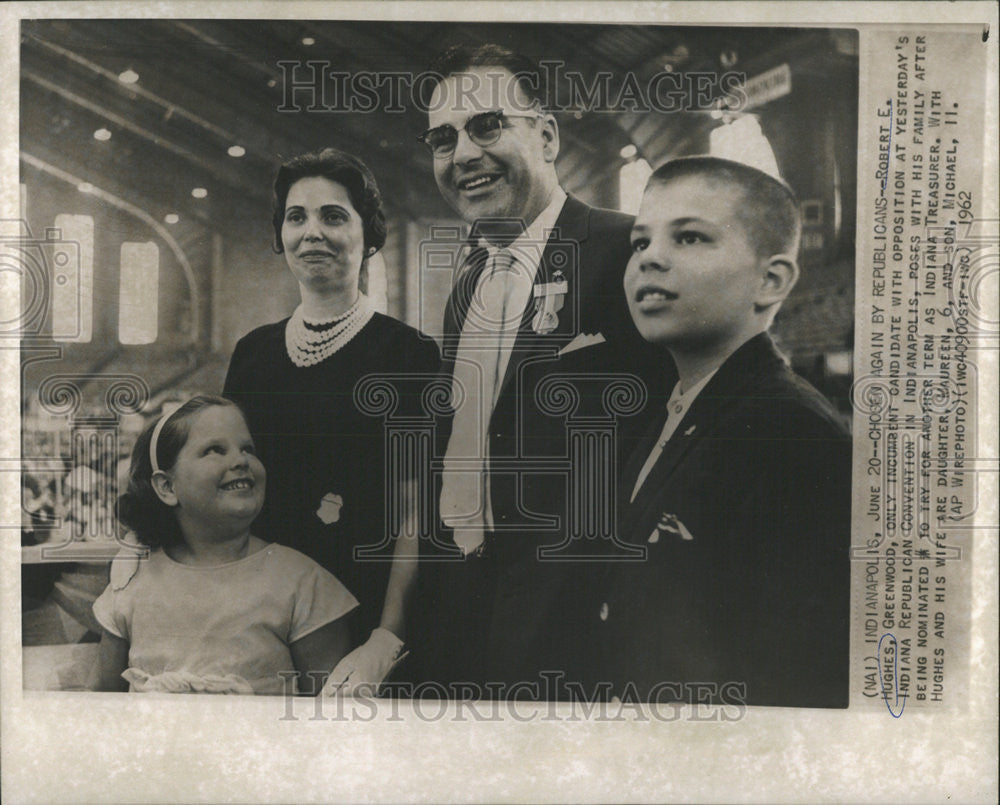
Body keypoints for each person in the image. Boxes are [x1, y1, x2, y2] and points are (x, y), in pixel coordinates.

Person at [414, 44, 666, 697]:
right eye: (443, 139)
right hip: (463, 609)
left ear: (547, 136)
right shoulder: (466, 286)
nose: (464, 153)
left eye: (486, 125)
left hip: (577, 621)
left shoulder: (624, 249)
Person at [595, 156, 851, 707]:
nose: (650, 259)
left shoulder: (794, 436)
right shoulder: (674, 412)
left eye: (689, 238)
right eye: (640, 243)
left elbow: (802, 679)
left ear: (771, 280)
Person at [223, 149, 440, 695]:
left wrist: (386, 638)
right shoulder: (253, 354)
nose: (311, 232)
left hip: (365, 616)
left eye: (333, 216)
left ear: (368, 236)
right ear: (281, 236)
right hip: (263, 613)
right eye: (296, 217)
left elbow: (417, 512)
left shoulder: (409, 355)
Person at [90, 396, 358, 694]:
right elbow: (104, 705)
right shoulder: (131, 583)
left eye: (248, 449)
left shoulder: (301, 581)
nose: (241, 460)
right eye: (214, 450)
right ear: (167, 487)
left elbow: (332, 711)